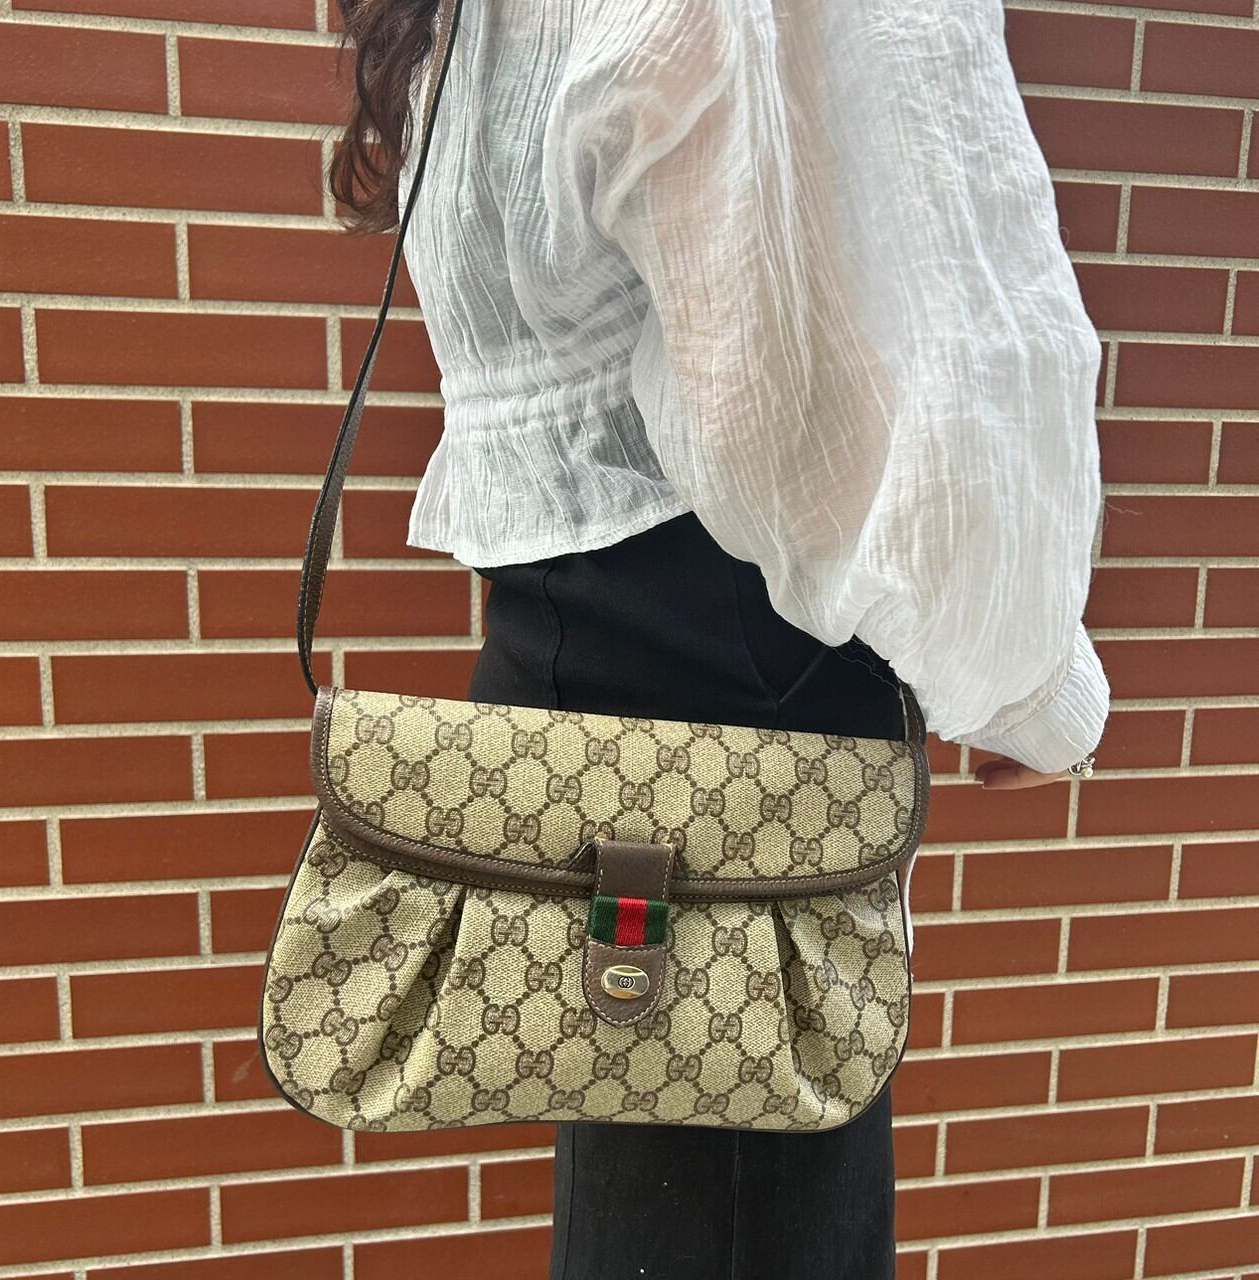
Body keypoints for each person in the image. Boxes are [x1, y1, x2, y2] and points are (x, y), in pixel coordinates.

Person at [328, 1, 1109, 1275]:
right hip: (750, 694)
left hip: (575, 684)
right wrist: (1025, 679)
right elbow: (825, 376)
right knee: (758, 1207)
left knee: (650, 1204)